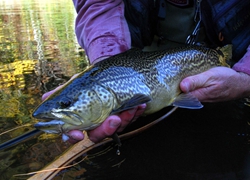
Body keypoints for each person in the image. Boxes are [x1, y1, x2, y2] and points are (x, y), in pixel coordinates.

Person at [43, 0, 250, 144]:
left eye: (66, 104)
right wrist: (106, 56)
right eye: (66, 103)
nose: (64, 108)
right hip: (146, 49)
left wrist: (245, 78)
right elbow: (98, 3)